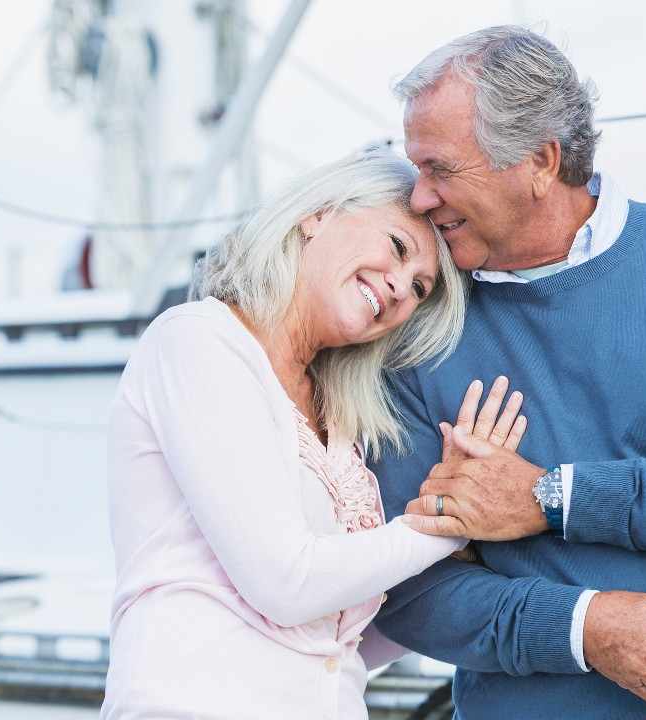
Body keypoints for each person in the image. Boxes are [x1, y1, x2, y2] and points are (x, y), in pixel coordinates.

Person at [367, 25, 646, 718]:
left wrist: (550, 498)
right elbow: (409, 593)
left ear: (541, 162)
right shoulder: (411, 327)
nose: (420, 198)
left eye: (440, 169)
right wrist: (586, 627)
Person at [101, 148, 501, 719]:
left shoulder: (339, 418)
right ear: (318, 214)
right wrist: (448, 523)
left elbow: (334, 636)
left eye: (419, 288)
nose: (398, 288)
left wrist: (463, 564)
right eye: (397, 247)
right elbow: (287, 585)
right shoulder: (199, 342)